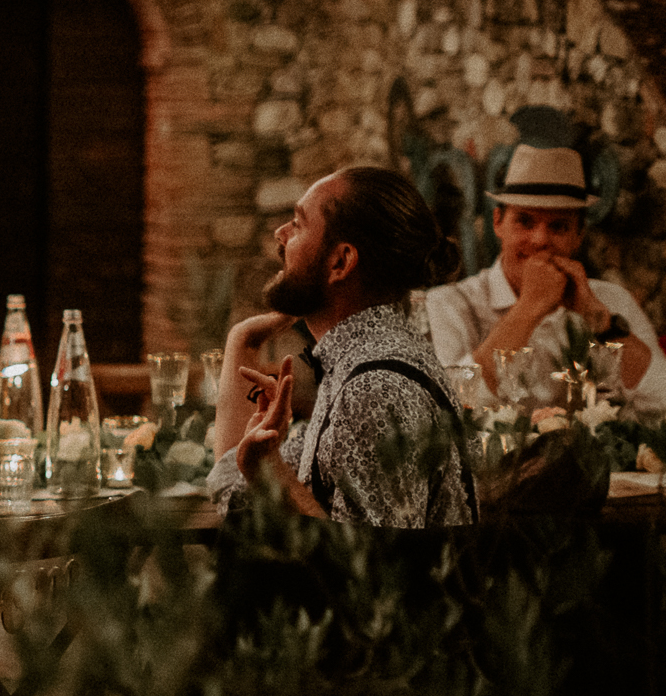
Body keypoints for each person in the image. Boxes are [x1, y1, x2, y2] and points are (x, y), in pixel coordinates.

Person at [208, 166, 476, 528]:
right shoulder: (366, 360)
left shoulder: (374, 388)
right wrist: (243, 340)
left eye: (298, 225)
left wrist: (270, 470)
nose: (280, 234)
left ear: (340, 261)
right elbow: (234, 487)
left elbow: (370, 573)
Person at [427, 143, 664, 413]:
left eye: (558, 226)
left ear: (579, 235)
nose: (540, 240)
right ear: (497, 223)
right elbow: (450, 406)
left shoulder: (611, 299)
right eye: (525, 222)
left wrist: (602, 324)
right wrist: (529, 307)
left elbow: (663, 400)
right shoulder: (449, 303)